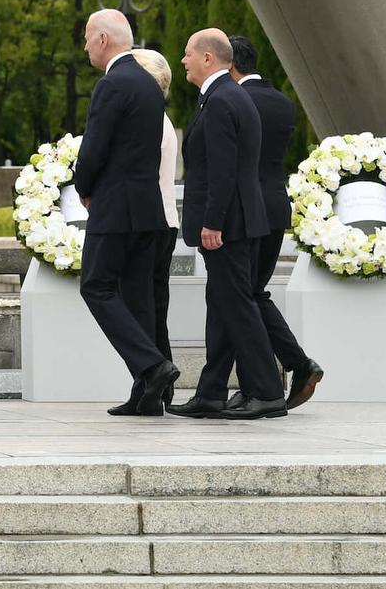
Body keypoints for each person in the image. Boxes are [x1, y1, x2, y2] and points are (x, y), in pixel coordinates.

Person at [169, 29, 284, 420]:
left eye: (187, 54)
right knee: (221, 305)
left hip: (228, 224)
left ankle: (268, 392)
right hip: (240, 220)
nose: (182, 61)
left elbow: (223, 170)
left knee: (237, 305)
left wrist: (212, 222)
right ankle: (211, 391)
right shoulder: (228, 95)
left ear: (207, 58)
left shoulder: (221, 100)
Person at [71, 11, 178, 417]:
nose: (84, 47)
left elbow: (95, 147)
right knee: (138, 299)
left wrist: (84, 188)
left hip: (115, 207)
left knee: (95, 286)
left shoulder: (112, 83)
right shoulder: (149, 85)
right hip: (148, 208)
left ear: (102, 39)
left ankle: (152, 366)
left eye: (85, 37)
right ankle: (146, 394)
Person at [229, 36, 323, 410]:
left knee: (241, 296)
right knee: (252, 293)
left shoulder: (233, 100)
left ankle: (269, 380)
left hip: (245, 211)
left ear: (229, 64)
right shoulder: (280, 102)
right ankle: (295, 366)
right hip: (274, 204)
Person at [128, 47, 180, 366]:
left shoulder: (149, 122)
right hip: (165, 220)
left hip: (152, 223)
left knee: (146, 308)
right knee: (155, 308)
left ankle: (153, 376)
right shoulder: (162, 120)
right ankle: (160, 380)